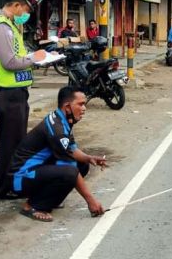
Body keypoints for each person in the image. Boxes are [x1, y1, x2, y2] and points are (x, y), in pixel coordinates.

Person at [9, 87, 107, 222]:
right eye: (80, 104)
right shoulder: (57, 130)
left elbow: (71, 150)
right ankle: (32, 206)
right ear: (67, 107)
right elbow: (71, 169)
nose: (84, 108)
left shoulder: (62, 119)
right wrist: (91, 201)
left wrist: (89, 158)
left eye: (84, 104)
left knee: (82, 164)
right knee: (70, 173)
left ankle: (50, 199)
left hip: (35, 170)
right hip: (21, 178)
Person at [0, 0, 47, 200]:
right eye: (26, 10)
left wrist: (34, 58)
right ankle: (3, 188)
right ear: (16, 5)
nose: (27, 14)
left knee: (16, 141)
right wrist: (35, 58)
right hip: (7, 93)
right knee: (9, 143)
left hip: (16, 92)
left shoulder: (10, 26)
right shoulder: (0, 27)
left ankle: (13, 183)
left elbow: (18, 55)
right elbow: (10, 62)